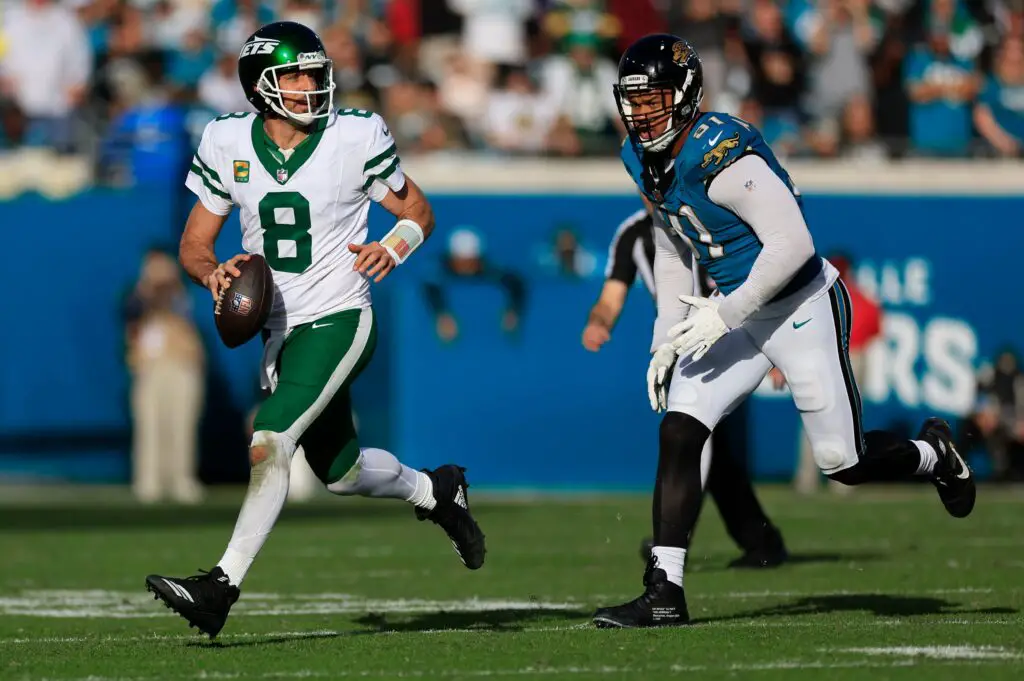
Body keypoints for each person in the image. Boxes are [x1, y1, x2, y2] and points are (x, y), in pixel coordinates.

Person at [592, 34, 976, 629]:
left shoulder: (718, 150)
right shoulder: (638, 157)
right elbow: (671, 243)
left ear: (687, 95)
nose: (642, 115)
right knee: (679, 427)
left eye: (655, 100)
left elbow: (793, 244)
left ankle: (934, 454)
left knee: (841, 461)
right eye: (634, 102)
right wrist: (666, 335)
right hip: (738, 308)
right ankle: (664, 590)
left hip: (798, 303)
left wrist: (722, 312)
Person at [144, 21, 486, 639]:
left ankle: (219, 588)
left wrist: (393, 247)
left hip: (340, 314)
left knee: (268, 437)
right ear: (260, 84)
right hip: (279, 330)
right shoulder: (226, 141)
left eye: (314, 71)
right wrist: (211, 274)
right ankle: (436, 490)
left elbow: (418, 212)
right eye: (294, 74)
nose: (310, 85)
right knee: (343, 473)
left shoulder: (353, 134)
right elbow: (195, 243)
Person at [583, 198, 787, 569]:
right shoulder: (634, 234)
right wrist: (599, 322)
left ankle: (674, 542)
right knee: (704, 446)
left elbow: (760, 274)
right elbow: (612, 294)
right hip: (682, 344)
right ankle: (761, 541)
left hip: (732, 340)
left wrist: (777, 347)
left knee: (691, 439)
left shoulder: (710, 214)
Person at [124, 247, 205, 505]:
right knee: (150, 425)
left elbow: (181, 314)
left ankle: (182, 479)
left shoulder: (183, 294)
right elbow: (132, 313)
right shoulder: (136, 295)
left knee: (181, 425)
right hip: (151, 366)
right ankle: (149, 482)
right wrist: (148, 286)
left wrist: (168, 284)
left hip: (180, 363)